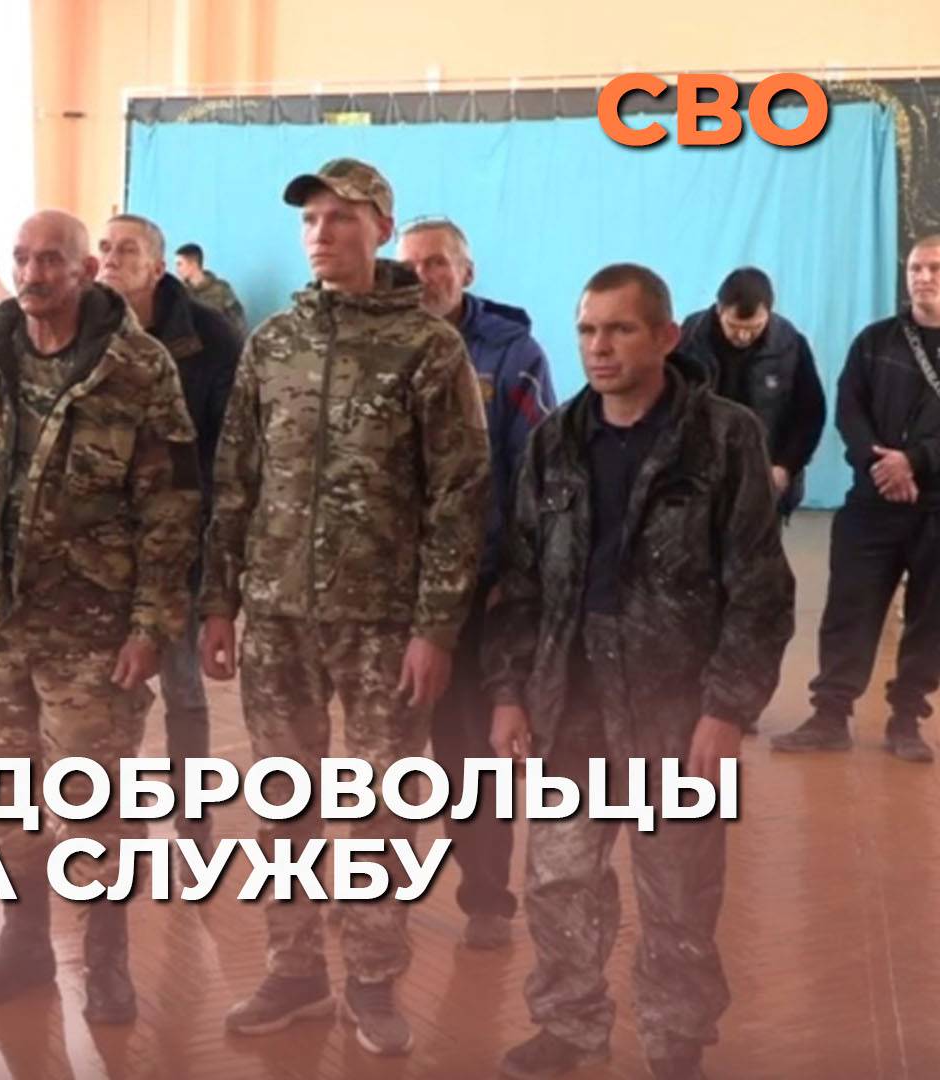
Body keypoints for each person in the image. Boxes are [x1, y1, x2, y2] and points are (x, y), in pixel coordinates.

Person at [198, 159, 490, 1055]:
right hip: (277, 614)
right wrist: (218, 602)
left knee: (378, 807)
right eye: (310, 221)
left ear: (380, 228)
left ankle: (371, 980)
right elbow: (235, 476)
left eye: (339, 218)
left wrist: (435, 627)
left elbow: (459, 497)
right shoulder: (274, 343)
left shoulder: (428, 348)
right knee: (281, 799)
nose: (321, 234)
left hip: (383, 624)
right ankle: (294, 972)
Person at [488, 263, 794, 1080]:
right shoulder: (554, 440)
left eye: (619, 329)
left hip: (675, 707)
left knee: (680, 889)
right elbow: (520, 579)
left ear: (664, 336)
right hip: (570, 703)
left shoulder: (723, 438)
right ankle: (569, 1025)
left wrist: (727, 708)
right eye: (588, 330)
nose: (599, 347)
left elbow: (760, 589)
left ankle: (676, 1040)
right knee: (558, 881)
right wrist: (509, 693)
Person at [0, 209, 200, 1025]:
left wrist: (150, 623)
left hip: (91, 629)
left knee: (93, 798)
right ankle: (25, 942)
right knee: (5, 795)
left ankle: (105, 958)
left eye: (50, 260)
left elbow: (172, 506)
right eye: (22, 259)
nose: (32, 274)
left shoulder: (137, 369)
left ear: (85, 270)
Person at [399, 216, 556, 950]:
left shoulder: (513, 355)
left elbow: (536, 475)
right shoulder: (380, 343)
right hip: (388, 595)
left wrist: (514, 577)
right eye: (410, 264)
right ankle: (377, 891)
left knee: (470, 755)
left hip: (477, 591)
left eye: (437, 263)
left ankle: (487, 898)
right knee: (383, 754)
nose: (423, 276)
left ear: (467, 271)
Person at [97, 211, 241, 859]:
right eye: (103, 248)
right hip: (100, 553)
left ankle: (193, 823)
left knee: (183, 690)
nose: (109, 259)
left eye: (125, 250)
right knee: (105, 694)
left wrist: (191, 522)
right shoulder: (82, 328)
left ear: (157, 267)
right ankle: (108, 825)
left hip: (180, 543)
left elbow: (228, 450)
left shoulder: (210, 337)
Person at [770, 236, 940, 763]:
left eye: (935, 268)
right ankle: (830, 715)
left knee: (931, 618)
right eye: (916, 268)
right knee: (849, 608)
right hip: (872, 501)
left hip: (936, 505)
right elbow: (849, 409)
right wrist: (878, 464)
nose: (923, 277)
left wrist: (916, 461)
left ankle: (906, 718)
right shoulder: (874, 341)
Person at [676, 266, 827, 518]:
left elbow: (809, 413)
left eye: (755, 327)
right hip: (696, 477)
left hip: (764, 475)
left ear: (769, 312)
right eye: (734, 326)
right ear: (719, 309)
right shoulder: (689, 338)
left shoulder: (790, 345)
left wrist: (786, 466)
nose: (744, 336)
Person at [172, 242, 248, 334]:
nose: (177, 270)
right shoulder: (181, 293)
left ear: (193, 264)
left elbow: (239, 322)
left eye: (179, 264)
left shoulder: (221, 290)